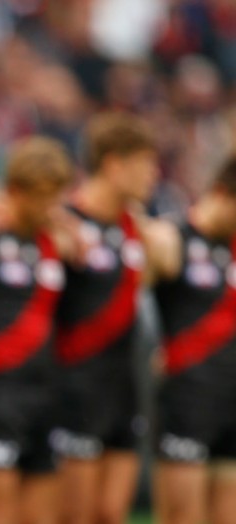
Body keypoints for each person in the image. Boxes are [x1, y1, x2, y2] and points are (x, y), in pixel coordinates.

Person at [52, 111, 159, 524]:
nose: (153, 176)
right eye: (146, 165)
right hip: (75, 388)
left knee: (112, 514)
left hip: (124, 387)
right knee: (75, 516)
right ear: (115, 164)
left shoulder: (139, 229)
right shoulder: (65, 223)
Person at [0, 136, 75, 524]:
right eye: (42, 197)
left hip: (46, 392)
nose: (50, 206)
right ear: (15, 191)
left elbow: (85, 249)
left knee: (42, 517)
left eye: (55, 196)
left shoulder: (52, 240)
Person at [145, 156, 236, 524]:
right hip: (185, 400)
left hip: (231, 402)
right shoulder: (173, 238)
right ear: (221, 193)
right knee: (183, 516)